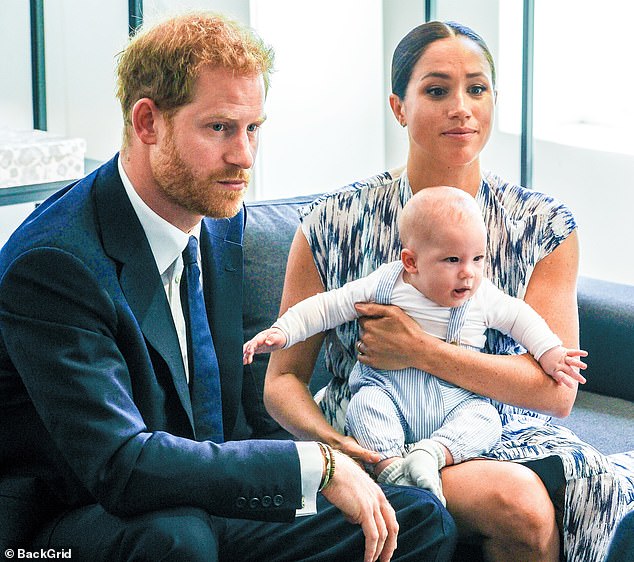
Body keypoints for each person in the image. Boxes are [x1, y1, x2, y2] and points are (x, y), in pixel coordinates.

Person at [0, 12, 458, 562]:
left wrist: (328, 471)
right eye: (219, 128)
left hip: (196, 499)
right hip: (62, 526)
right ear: (148, 122)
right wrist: (316, 465)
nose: (244, 157)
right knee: (179, 540)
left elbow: (226, 424)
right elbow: (119, 465)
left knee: (413, 518)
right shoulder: (55, 265)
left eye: (253, 128)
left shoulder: (217, 221)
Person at [263, 20, 634, 562]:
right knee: (523, 505)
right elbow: (283, 381)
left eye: (476, 89)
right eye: (437, 90)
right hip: (372, 427)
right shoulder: (331, 222)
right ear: (399, 107)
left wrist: (419, 350)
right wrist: (337, 450)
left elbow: (555, 392)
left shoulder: (543, 224)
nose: (461, 107)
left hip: (492, 426)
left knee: (591, 487)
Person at [245, 186, 588, 504]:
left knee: (484, 418)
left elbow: (522, 319)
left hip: (455, 398)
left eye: (478, 259)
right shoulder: (388, 283)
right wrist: (283, 331)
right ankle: (389, 466)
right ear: (411, 262)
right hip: (388, 389)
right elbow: (328, 306)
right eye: (452, 260)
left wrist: (551, 353)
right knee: (365, 407)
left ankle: (432, 453)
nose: (468, 273)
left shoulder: (482, 296)